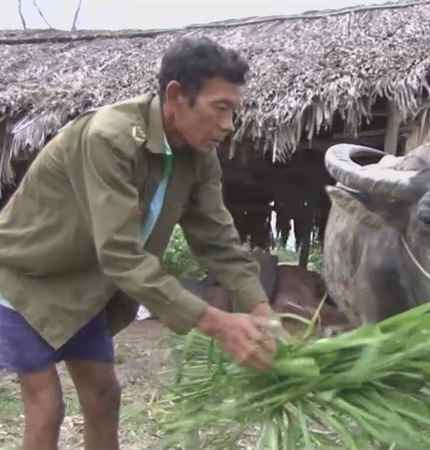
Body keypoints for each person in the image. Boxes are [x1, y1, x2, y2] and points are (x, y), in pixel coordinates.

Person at [0, 36, 278, 450]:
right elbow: (121, 254)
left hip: (88, 287)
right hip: (27, 279)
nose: (228, 124)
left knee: (104, 397)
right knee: (47, 407)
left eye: (233, 111)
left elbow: (218, 240)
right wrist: (219, 324)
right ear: (176, 96)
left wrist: (260, 311)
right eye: (220, 108)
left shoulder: (200, 157)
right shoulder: (109, 138)